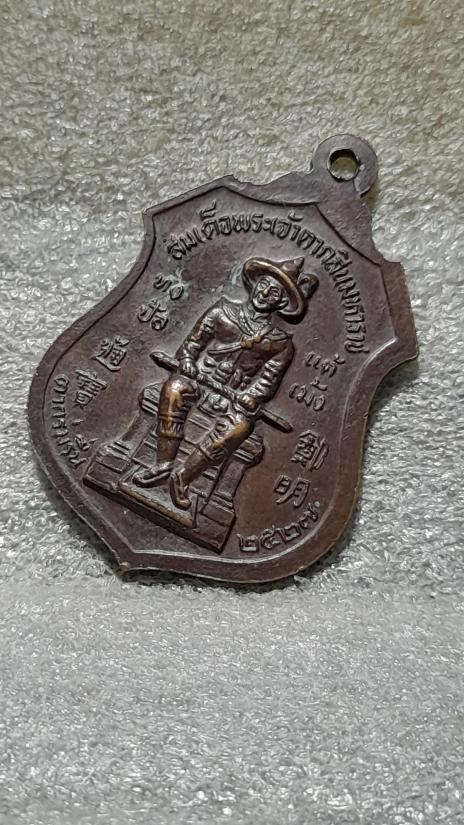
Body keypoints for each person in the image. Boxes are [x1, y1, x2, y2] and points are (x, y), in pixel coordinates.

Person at [133, 256, 318, 510]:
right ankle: (162, 465)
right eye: (264, 285)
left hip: (234, 397)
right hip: (198, 379)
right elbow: (192, 344)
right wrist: (187, 361)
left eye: (274, 293)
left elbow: (268, 380)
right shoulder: (221, 311)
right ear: (255, 284)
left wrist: (252, 396)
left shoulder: (280, 344)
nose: (265, 294)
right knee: (175, 388)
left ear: (282, 302)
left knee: (240, 428)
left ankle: (183, 477)